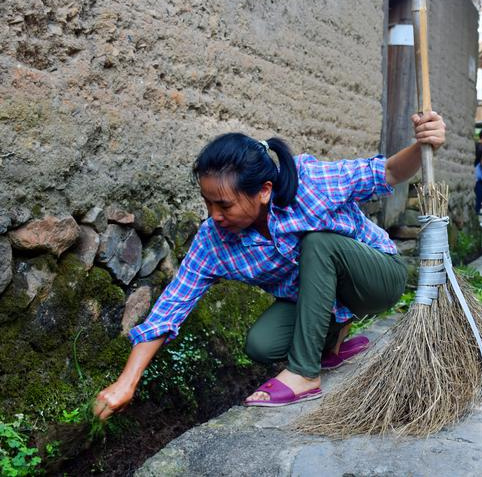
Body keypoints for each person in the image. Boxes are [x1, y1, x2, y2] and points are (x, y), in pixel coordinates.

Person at [92, 111, 446, 417]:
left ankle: (304, 373)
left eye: (224, 205)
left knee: (318, 242)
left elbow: (385, 173)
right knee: (261, 344)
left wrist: (422, 144)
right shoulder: (213, 241)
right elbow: (171, 306)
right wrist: (127, 381)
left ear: (263, 190)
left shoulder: (311, 183)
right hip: (319, 297)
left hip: (376, 279)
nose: (214, 216)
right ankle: (334, 339)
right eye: (208, 204)